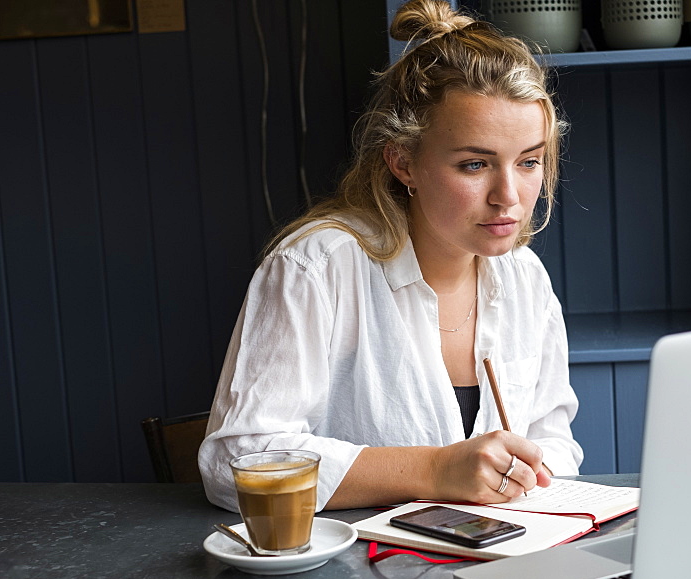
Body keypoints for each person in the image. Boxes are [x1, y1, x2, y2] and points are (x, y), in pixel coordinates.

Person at [198, 0, 583, 512]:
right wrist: (435, 470)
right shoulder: (315, 269)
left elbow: (555, 442)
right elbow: (236, 462)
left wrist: (529, 472)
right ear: (403, 162)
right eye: (474, 164)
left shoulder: (525, 279)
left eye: (529, 161)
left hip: (495, 566)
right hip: (354, 576)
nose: (509, 196)